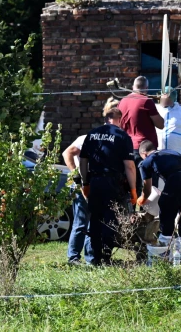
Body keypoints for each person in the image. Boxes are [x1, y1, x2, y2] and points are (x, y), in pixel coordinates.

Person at [79, 104, 138, 265]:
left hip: (95, 181)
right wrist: (133, 190)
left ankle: (93, 258)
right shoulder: (122, 136)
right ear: (121, 119)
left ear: (105, 118)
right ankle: (105, 257)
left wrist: (85, 182)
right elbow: (130, 166)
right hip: (113, 183)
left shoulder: (92, 134)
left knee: (95, 220)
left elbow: (83, 161)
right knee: (110, 220)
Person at [137, 140, 181, 242]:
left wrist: (142, 199)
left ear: (144, 154)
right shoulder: (168, 152)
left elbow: (147, 189)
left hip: (176, 177)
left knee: (165, 205)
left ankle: (165, 239)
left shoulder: (146, 162)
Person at [118, 76, 164, 191]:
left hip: (126, 148)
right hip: (145, 149)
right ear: (146, 88)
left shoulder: (123, 101)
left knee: (131, 184)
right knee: (150, 185)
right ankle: (148, 209)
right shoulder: (146, 101)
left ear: (133, 87)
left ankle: (130, 208)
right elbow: (161, 125)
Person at [62, 134, 93, 265]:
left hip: (93, 184)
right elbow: (67, 153)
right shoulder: (86, 138)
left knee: (92, 223)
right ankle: (73, 257)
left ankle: (91, 257)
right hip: (82, 185)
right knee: (81, 222)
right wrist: (76, 176)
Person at [155, 86, 181, 159]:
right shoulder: (155, 110)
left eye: (168, 99)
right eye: (163, 98)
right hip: (158, 153)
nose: (165, 101)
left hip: (178, 154)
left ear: (173, 98)